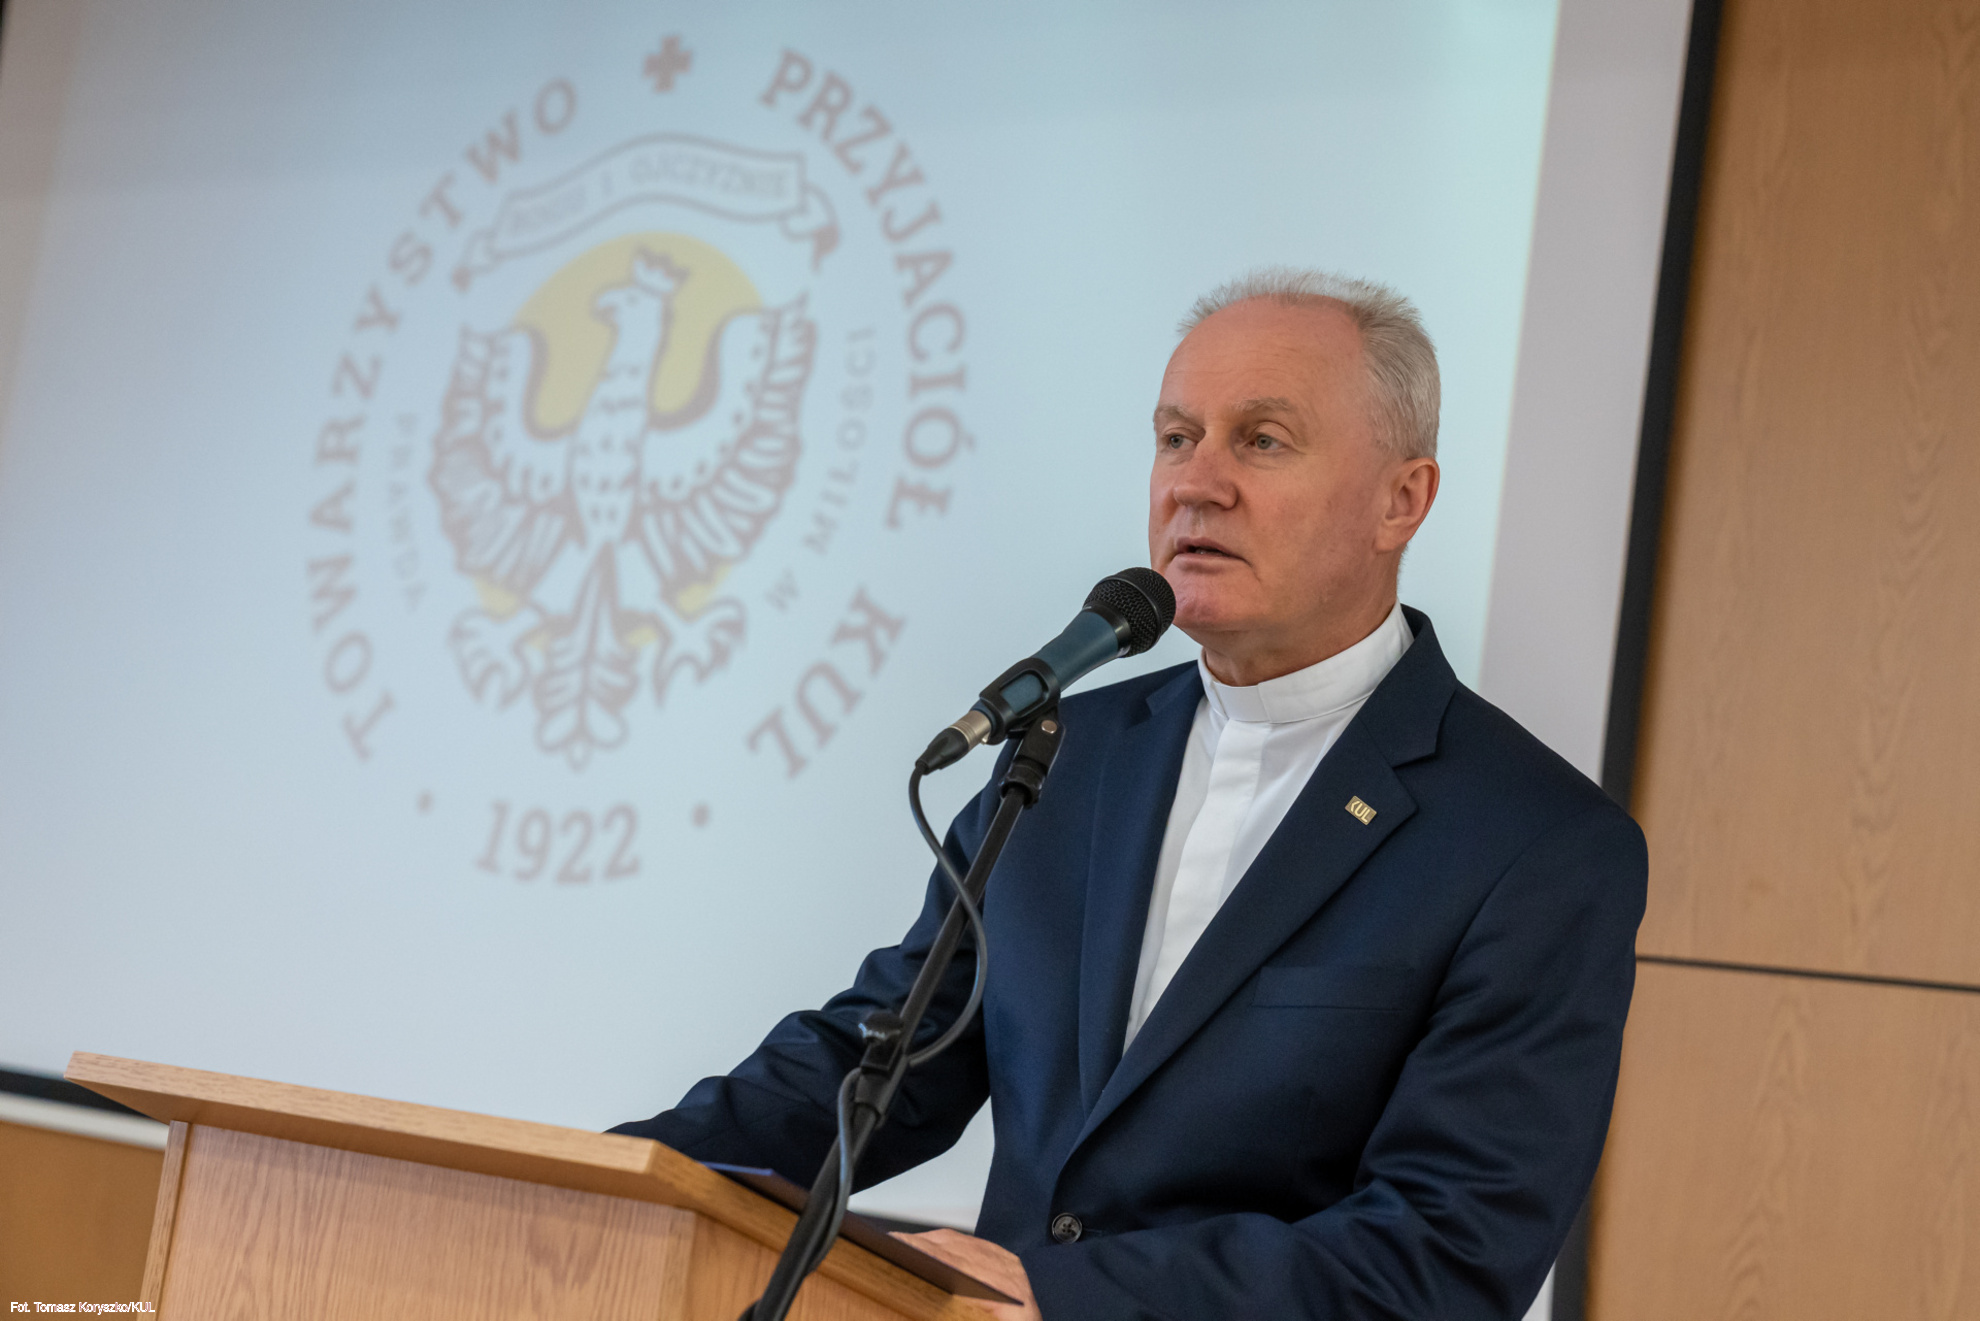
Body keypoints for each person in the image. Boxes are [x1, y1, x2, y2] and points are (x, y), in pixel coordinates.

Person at [612, 268, 1648, 1319]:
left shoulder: (1536, 846)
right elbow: (882, 1065)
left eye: (1262, 440)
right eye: (1175, 438)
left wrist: (1064, 1293)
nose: (1196, 484)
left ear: (1403, 500)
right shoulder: (1065, 755)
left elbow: (1442, 1254)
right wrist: (610, 1176)